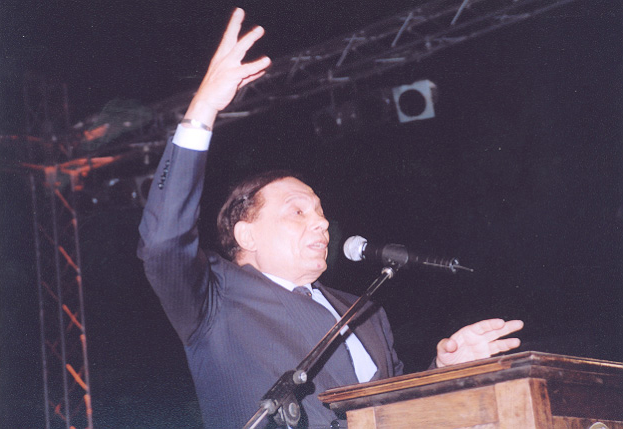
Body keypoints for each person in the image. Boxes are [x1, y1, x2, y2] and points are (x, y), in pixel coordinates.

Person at [137, 8, 524, 428]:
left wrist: (442, 367)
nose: (321, 223)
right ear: (245, 233)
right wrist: (205, 105)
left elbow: (398, 412)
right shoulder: (214, 298)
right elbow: (163, 240)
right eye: (298, 212)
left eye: (321, 212)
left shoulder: (365, 312)